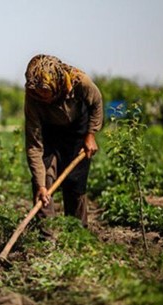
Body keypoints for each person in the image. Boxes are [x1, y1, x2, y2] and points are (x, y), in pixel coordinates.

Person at [24, 54, 103, 229]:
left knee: (75, 181)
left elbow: (96, 103)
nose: (41, 96)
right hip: (49, 131)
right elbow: (34, 144)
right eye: (37, 92)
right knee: (44, 179)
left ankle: (76, 233)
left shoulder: (81, 82)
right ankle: (46, 236)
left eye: (44, 91)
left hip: (77, 130)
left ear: (56, 83)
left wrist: (91, 135)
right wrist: (40, 185)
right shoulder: (33, 96)